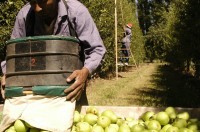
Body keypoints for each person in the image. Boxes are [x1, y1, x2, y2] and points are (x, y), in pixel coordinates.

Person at [0, 0, 106, 131]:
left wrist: (85, 71)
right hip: (34, 99)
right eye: (32, 2)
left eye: (43, 1)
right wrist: (8, 74)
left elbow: (96, 49)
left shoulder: (76, 12)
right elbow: (14, 54)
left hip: (70, 94)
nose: (37, 8)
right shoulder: (25, 15)